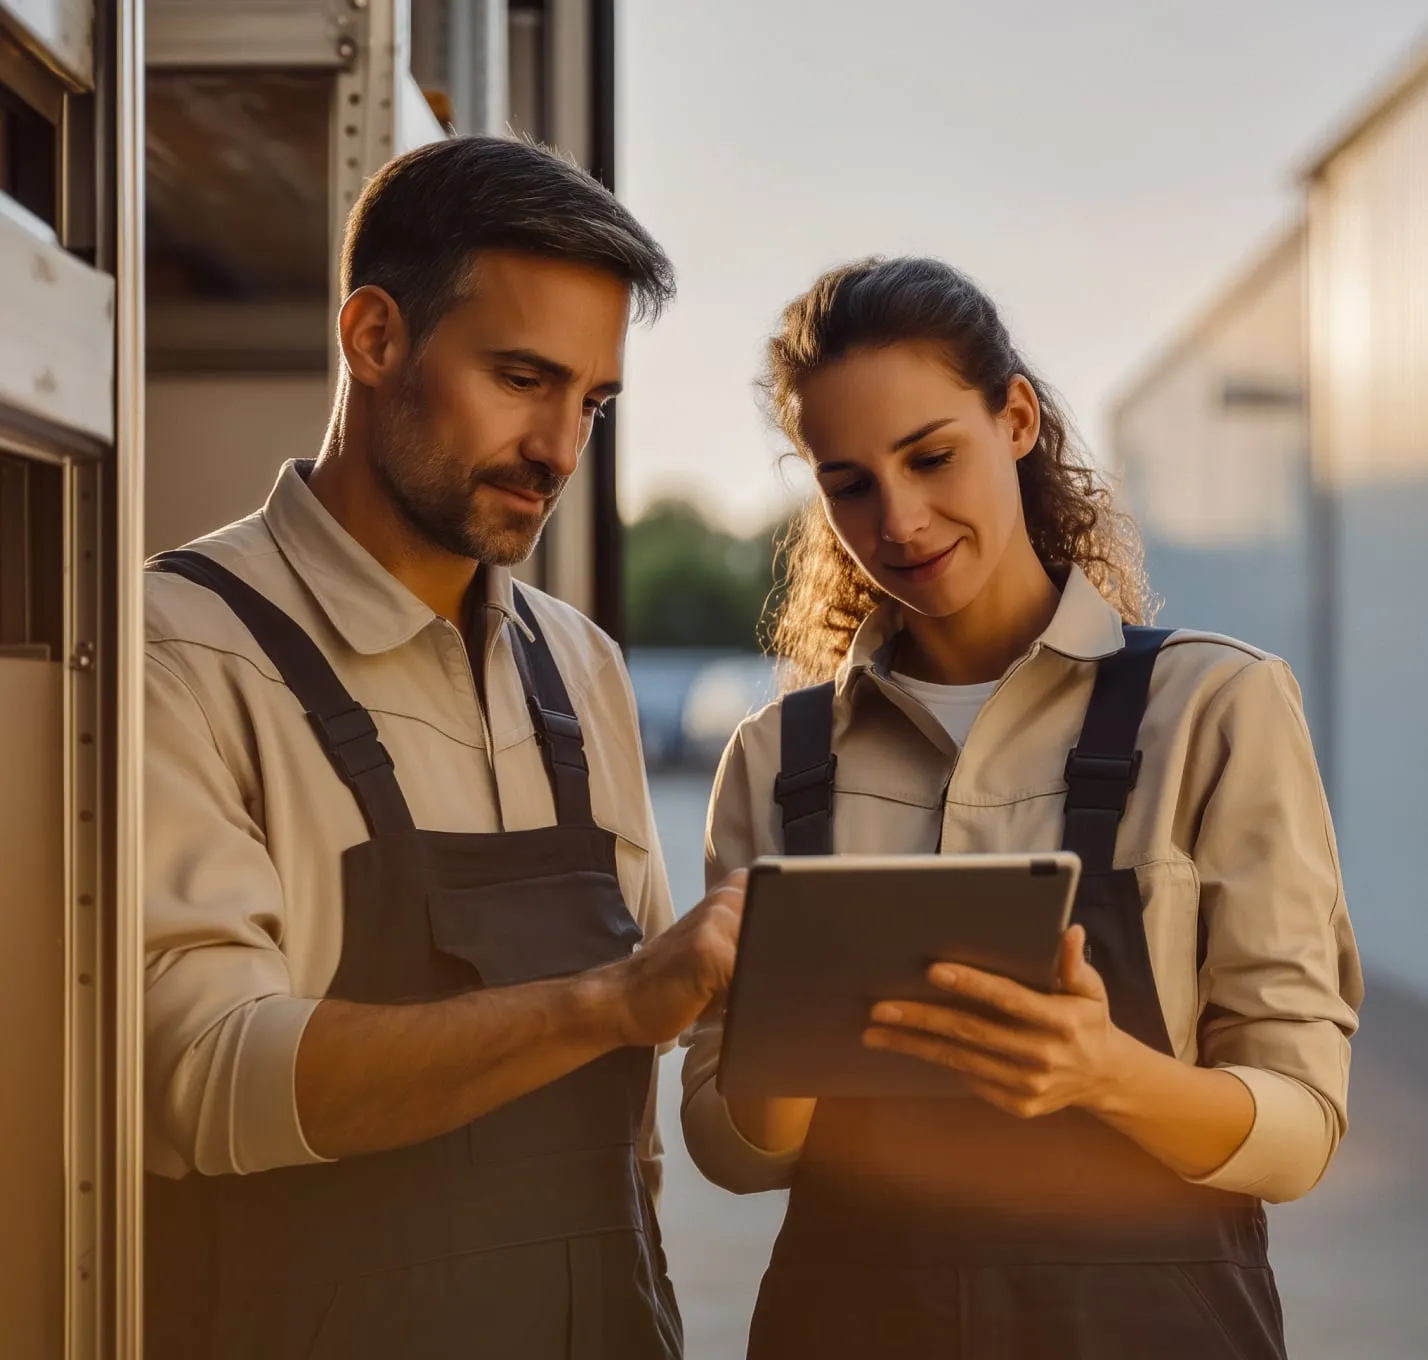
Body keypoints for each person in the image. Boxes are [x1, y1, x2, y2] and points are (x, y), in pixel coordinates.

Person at [681, 257, 1361, 1358]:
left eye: (931, 455)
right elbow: (728, 1145)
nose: (897, 518)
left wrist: (1107, 1075)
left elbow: (1299, 1133)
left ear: (1016, 418)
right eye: (848, 481)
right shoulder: (776, 760)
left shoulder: (1212, 707)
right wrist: (789, 1051)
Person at [143, 136, 745, 1360]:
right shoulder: (177, 648)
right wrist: (612, 1002)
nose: (563, 451)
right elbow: (198, 1075)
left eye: (595, 402)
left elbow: (629, 1148)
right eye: (523, 378)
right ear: (373, 338)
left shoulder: (584, 669)